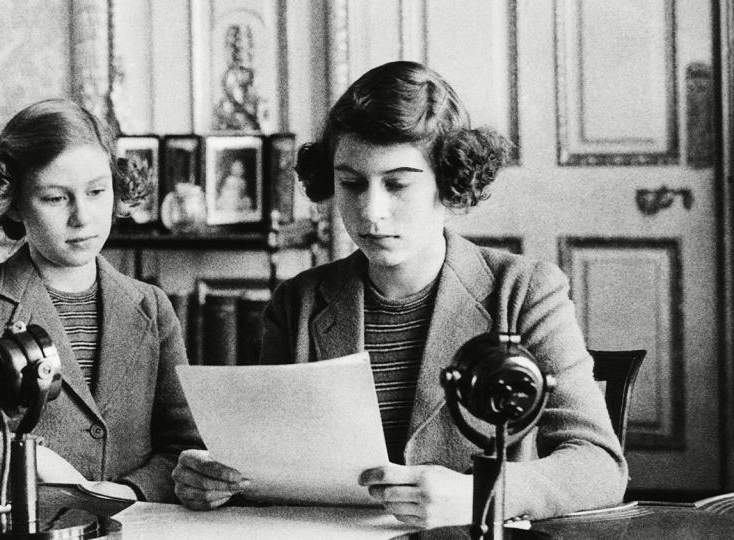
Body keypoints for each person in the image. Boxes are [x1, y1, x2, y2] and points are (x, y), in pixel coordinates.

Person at [171, 61, 627, 528]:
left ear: (450, 183)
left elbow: (598, 465)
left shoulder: (525, 291)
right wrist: (213, 479)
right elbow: (266, 467)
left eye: (398, 184)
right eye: (350, 183)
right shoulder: (297, 303)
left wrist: (482, 494)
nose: (371, 212)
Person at [0, 98, 202, 503]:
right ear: (13, 201)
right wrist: (27, 460)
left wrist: (126, 492)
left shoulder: (152, 306)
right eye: (55, 198)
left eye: (97, 191)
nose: (82, 217)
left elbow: (184, 450)